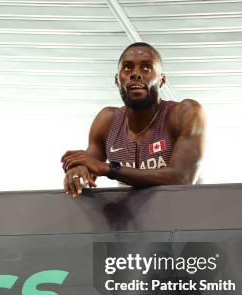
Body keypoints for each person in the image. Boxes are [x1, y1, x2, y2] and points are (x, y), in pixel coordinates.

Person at [61, 42, 206, 197]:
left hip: (187, 215)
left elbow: (182, 179)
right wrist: (77, 171)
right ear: (118, 80)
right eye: (128, 67)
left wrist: (109, 169)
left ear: (162, 80)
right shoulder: (107, 121)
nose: (136, 74)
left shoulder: (185, 113)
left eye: (146, 67)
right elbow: (89, 166)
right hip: (134, 219)